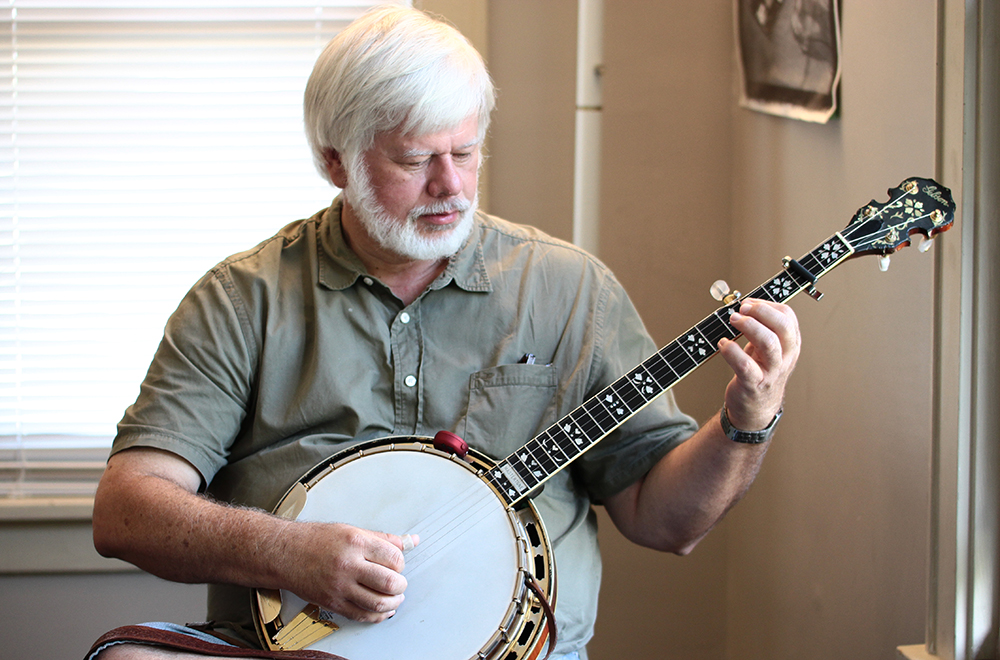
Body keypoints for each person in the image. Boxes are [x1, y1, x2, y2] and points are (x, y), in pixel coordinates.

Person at [88, 5, 799, 660]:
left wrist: (746, 421)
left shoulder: (569, 289)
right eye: (415, 158)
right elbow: (126, 511)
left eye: (466, 151)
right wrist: (288, 553)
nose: (450, 185)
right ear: (335, 159)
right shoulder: (242, 301)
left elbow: (667, 523)